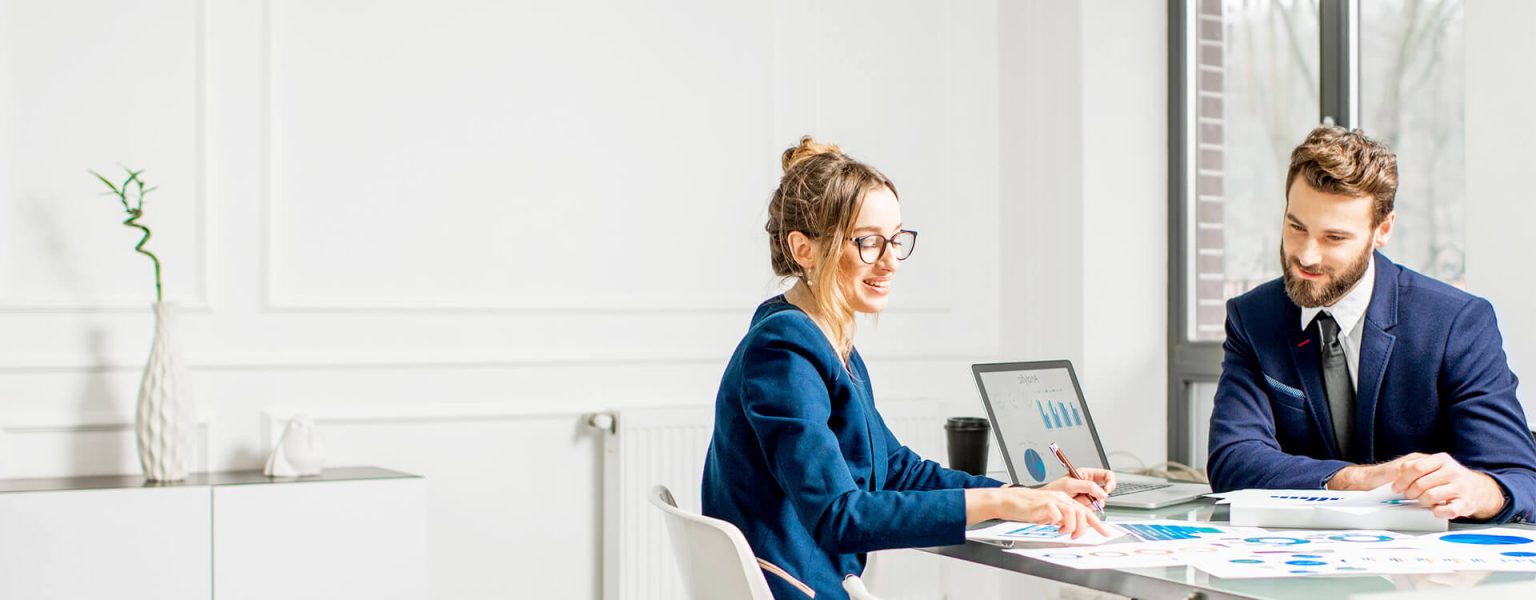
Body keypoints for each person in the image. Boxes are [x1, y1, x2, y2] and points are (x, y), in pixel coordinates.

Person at [701, 136, 1115, 598]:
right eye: (869, 242)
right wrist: (1002, 500)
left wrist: (1028, 495)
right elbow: (838, 516)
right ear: (804, 249)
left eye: (896, 240)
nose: (891, 261)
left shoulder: (826, 339)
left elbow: (897, 470)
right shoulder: (784, 350)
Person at [1207, 125, 1536, 523]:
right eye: (1296, 227)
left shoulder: (1456, 322)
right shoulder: (1253, 317)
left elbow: (1519, 479)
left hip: (1430, 565)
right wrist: (1365, 479)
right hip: (1299, 557)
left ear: (1382, 230)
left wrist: (1476, 490)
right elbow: (1232, 461)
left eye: (1334, 237)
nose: (1307, 256)